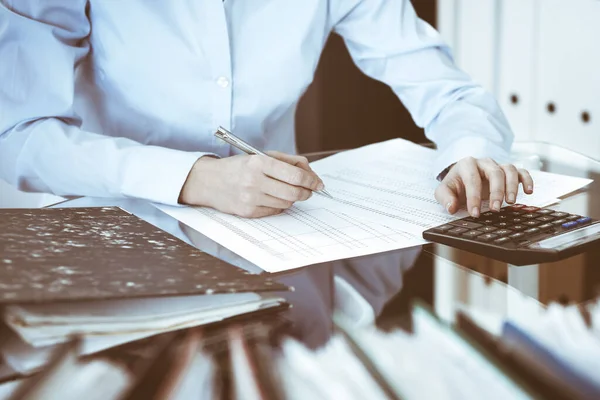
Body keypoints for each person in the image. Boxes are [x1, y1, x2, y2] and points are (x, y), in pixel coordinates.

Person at [0, 1, 533, 219]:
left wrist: (472, 153)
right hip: (112, 234)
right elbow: (16, 133)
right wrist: (195, 179)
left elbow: (448, 90)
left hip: (286, 234)